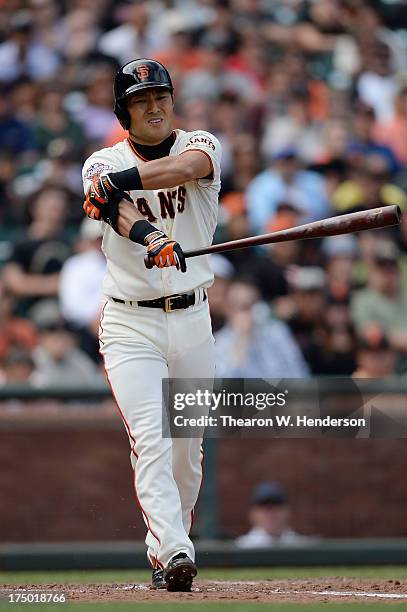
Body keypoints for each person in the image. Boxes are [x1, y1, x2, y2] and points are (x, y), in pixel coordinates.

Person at [81, 59, 221, 592]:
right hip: (130, 322)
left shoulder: (202, 143)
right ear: (124, 113)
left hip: (193, 317)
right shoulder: (101, 160)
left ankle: (165, 548)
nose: (154, 106)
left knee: (187, 449)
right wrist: (151, 237)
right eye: (140, 101)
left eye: (160, 96)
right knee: (153, 439)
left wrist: (120, 184)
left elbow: (183, 172)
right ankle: (176, 548)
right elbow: (110, 207)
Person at [235, 481, 312, 548]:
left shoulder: (305, 546)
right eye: (264, 507)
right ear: (252, 514)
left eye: (276, 506)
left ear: (288, 511)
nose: (271, 514)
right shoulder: (239, 547)